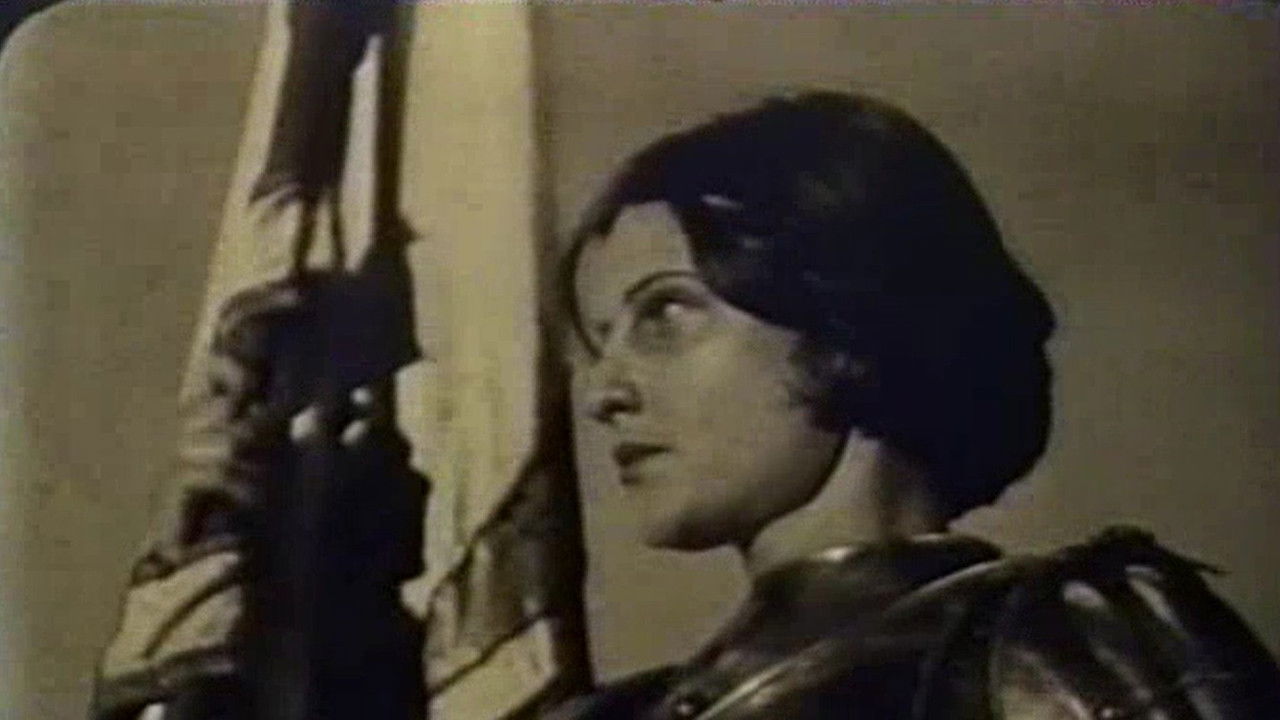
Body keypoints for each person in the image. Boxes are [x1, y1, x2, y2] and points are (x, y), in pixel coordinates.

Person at [549, 91, 1280, 719]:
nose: (603, 395)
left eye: (666, 313)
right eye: (602, 341)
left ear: (845, 327)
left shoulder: (1074, 642)